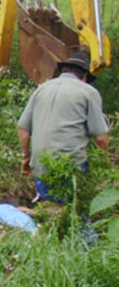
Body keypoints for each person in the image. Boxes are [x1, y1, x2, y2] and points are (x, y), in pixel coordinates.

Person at [17, 49, 110, 203]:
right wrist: (106, 164)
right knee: (74, 211)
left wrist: (26, 157)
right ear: (85, 76)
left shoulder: (41, 89)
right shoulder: (88, 92)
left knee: (50, 207)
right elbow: (101, 138)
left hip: (40, 165)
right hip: (70, 169)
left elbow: (23, 129)